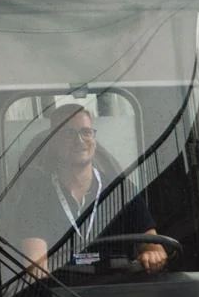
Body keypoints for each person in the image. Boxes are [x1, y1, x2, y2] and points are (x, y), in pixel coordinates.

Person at [14, 104, 168, 279]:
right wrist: (38, 269)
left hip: (119, 295)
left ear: (94, 138)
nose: (79, 140)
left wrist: (152, 254)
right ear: (53, 142)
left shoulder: (121, 188)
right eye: (69, 134)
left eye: (86, 132)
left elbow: (154, 245)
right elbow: (35, 263)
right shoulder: (36, 195)